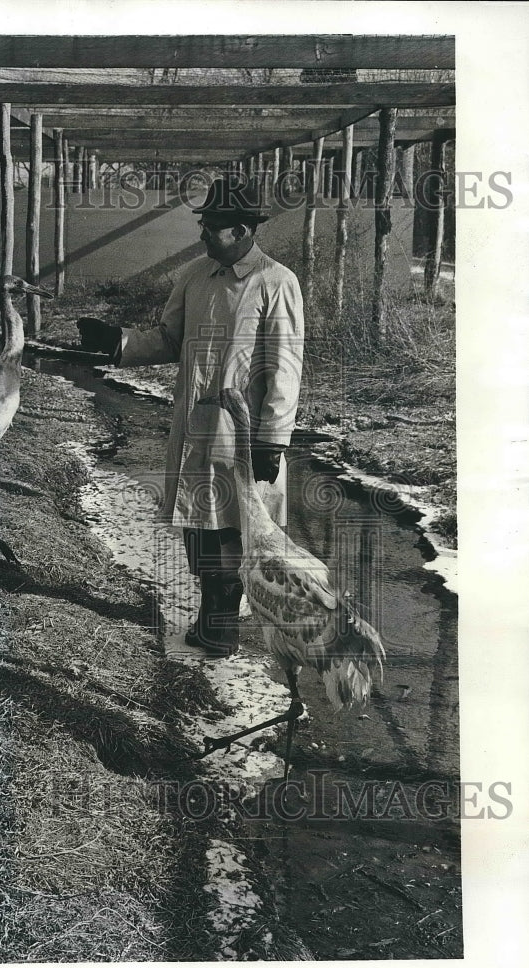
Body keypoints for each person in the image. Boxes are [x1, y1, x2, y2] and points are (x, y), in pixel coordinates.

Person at [76, 175, 305, 657]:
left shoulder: (275, 282)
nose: (203, 235)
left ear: (243, 230)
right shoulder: (195, 276)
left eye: (214, 227)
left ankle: (221, 631)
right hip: (194, 425)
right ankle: (209, 621)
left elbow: (285, 367)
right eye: (204, 225)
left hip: (241, 436)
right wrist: (117, 342)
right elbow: (169, 339)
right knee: (200, 528)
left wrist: (272, 439)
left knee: (232, 532)